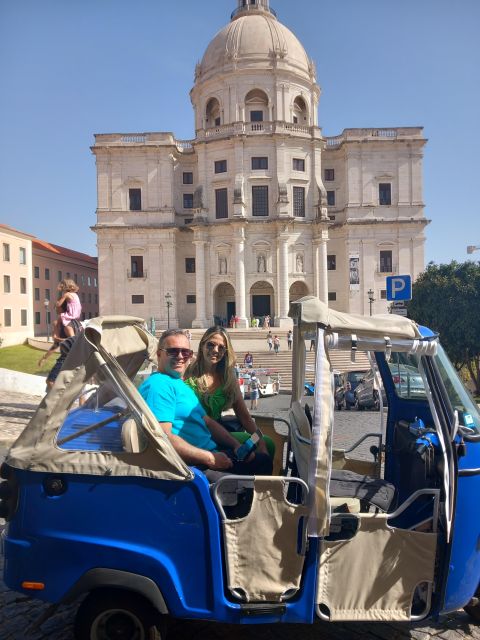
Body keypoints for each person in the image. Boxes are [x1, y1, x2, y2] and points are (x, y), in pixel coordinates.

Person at [140, 329, 272, 475]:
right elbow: (161, 437)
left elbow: (209, 421)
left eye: (185, 352)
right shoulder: (162, 384)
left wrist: (237, 446)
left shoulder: (180, 382)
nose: (180, 356)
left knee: (263, 450)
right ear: (159, 354)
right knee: (262, 463)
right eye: (173, 351)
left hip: (209, 444)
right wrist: (210, 458)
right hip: (199, 462)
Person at [185, 326, 274, 459]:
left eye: (221, 347)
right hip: (192, 433)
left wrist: (260, 441)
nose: (215, 350)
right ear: (202, 345)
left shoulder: (228, 379)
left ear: (226, 352)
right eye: (211, 345)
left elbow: (245, 417)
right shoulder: (187, 373)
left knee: (268, 443)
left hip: (218, 433)